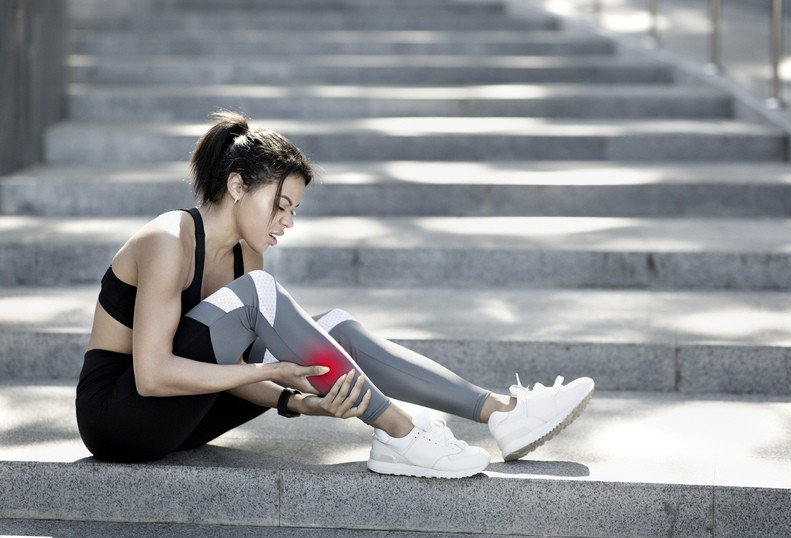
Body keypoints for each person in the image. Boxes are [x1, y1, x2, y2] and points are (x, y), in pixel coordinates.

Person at [75, 110, 595, 478]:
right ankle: (402, 430)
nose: (286, 222)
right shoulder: (170, 239)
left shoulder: (244, 256)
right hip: (119, 420)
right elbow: (154, 375)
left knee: (336, 327)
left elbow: (218, 374)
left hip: (181, 419)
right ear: (237, 186)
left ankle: (501, 412)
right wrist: (267, 371)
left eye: (294, 211)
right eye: (279, 205)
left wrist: (298, 402)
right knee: (263, 296)